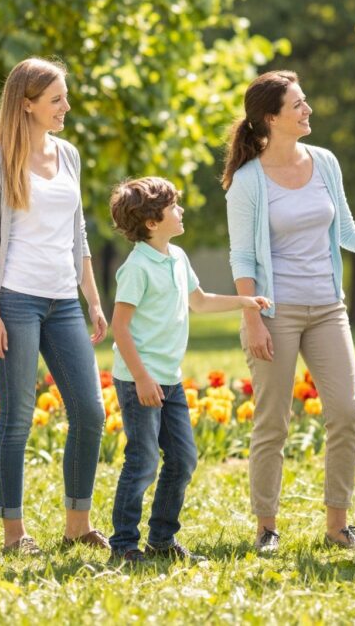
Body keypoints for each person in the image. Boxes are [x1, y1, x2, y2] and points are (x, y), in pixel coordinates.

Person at [223, 71, 355, 554]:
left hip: (328, 307)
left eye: (306, 101)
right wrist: (252, 320)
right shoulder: (248, 182)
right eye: (298, 104)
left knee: (347, 414)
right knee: (273, 420)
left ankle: (338, 525)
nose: (308, 110)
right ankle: (267, 527)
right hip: (275, 311)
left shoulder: (325, 162)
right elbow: (242, 258)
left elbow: (346, 231)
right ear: (271, 118)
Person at [0, 57, 108, 556]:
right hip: (16, 301)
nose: (66, 107)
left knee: (90, 412)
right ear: (26, 105)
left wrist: (92, 298)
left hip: (64, 301)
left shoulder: (68, 154)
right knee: (18, 418)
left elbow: (79, 235)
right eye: (56, 100)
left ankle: (78, 523)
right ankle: (14, 533)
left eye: (64, 98)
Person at [106, 177, 270, 565]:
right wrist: (143, 378)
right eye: (174, 206)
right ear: (151, 221)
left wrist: (245, 301)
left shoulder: (177, 257)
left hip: (170, 379)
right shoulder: (137, 267)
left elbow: (199, 301)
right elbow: (120, 327)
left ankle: (161, 540)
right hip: (139, 380)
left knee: (182, 459)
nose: (180, 211)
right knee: (143, 460)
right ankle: (124, 544)